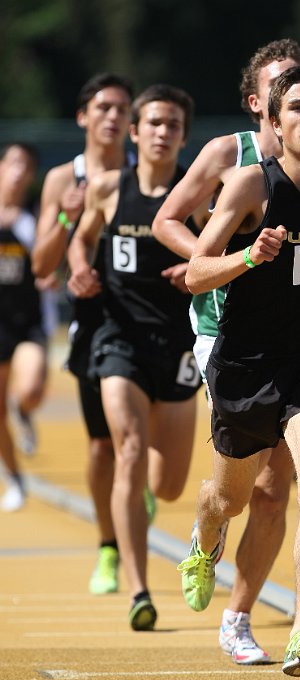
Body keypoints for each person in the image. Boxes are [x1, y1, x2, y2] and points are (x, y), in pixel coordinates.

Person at [153, 38, 300, 665]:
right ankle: (205, 538)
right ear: (273, 122)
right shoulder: (249, 179)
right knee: (229, 495)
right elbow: (197, 272)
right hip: (244, 360)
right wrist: (251, 255)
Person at [67, 83, 202, 630]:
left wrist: (195, 272)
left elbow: (219, 255)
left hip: (177, 343)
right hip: (117, 335)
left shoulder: (199, 193)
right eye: (154, 123)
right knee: (128, 449)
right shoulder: (106, 188)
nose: (163, 133)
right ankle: (139, 591)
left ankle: (143, 503)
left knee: (167, 486)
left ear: (183, 136)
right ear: (135, 131)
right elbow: (81, 239)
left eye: (173, 125)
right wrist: (80, 266)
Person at [32, 72, 136, 594]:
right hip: (93, 321)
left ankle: (137, 483)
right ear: (83, 116)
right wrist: (70, 220)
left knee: (148, 449)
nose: (113, 117)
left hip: (150, 318)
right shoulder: (60, 179)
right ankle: (108, 547)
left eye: (122, 109)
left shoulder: (148, 173)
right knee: (102, 446)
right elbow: (41, 264)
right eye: (103, 108)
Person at [0, 142, 58, 511]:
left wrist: (52, 276)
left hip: (27, 324)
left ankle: (23, 409)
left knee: (32, 388)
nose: (19, 171)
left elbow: (53, 261)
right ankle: (15, 479)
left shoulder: (34, 218)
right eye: (13, 163)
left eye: (27, 165)